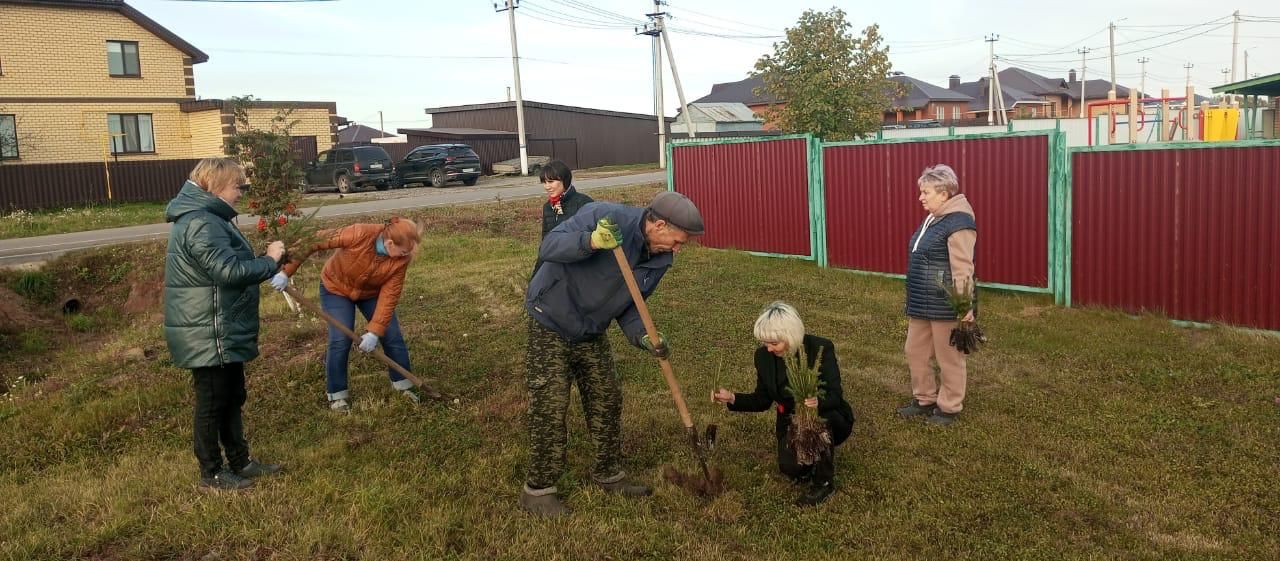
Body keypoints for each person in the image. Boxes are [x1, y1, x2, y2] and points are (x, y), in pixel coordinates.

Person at [520, 191, 705, 516]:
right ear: (659, 224)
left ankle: (609, 474)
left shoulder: (659, 259)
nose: (677, 250)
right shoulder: (604, 216)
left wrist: (643, 336)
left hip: (591, 328)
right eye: (677, 241)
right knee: (550, 405)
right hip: (551, 316)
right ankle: (538, 491)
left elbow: (631, 303)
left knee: (607, 398)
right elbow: (549, 248)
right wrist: (590, 241)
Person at [164, 157, 285, 490]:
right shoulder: (201, 222)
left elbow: (228, 262)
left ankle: (239, 461)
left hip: (218, 325)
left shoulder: (212, 218)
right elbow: (228, 273)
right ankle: (212, 472)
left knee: (232, 395)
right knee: (213, 400)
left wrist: (265, 261)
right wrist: (270, 261)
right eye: (236, 186)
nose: (240, 193)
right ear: (212, 186)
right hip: (206, 327)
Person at [271, 217, 423, 412]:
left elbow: (390, 295)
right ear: (390, 243)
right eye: (403, 251)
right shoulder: (359, 233)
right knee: (340, 338)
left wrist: (375, 331)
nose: (406, 255)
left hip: (371, 293)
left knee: (392, 335)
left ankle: (404, 384)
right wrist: (285, 272)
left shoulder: (401, 259)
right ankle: (337, 395)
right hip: (336, 288)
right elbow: (313, 241)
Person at [712, 302, 855, 507]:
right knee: (790, 468)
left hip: (826, 413)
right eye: (765, 343)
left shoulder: (820, 349)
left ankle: (824, 482)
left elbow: (835, 395)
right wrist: (732, 398)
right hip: (788, 418)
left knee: (820, 423)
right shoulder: (763, 357)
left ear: (790, 336)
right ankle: (807, 462)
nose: (769, 348)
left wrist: (816, 403)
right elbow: (762, 399)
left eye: (774, 343)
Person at [896, 164, 977, 427]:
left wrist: (964, 305)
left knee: (949, 357)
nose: (921, 197)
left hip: (944, 303)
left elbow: (963, 266)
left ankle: (950, 407)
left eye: (926, 192)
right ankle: (924, 399)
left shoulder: (959, 222)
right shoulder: (934, 217)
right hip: (922, 300)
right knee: (915, 351)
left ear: (944, 193)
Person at [533, 160, 593, 275]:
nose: (547, 187)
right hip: (556, 265)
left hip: (580, 267)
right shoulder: (549, 207)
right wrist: (536, 274)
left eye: (551, 181)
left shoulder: (583, 203)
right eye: (544, 182)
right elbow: (546, 242)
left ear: (564, 180)